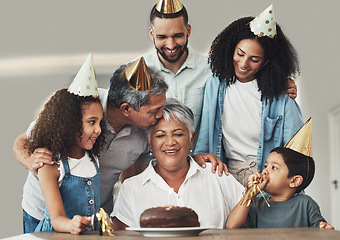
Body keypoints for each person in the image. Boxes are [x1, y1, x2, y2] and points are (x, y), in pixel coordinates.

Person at [14, 57, 225, 233]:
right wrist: (33, 161)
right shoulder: (86, 108)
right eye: (154, 111)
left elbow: (142, 170)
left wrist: (189, 158)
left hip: (95, 215)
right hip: (44, 211)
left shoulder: (145, 129)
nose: (159, 115)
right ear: (126, 109)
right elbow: (22, 141)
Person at [195, 5, 304, 187]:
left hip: (268, 179)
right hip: (226, 175)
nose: (244, 64)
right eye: (240, 54)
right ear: (231, 49)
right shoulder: (216, 83)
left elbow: (295, 149)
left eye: (254, 59)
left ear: (267, 62)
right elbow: (206, 133)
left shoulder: (280, 92)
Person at [111, 98, 244, 230]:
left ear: (191, 139)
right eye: (160, 135)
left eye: (178, 134)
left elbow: (247, 207)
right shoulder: (131, 188)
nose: (170, 142)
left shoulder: (216, 174)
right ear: (150, 143)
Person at [26, 54, 105, 234]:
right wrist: (71, 225)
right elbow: (56, 219)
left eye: (100, 122)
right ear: (70, 123)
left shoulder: (93, 160)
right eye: (92, 122)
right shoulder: (52, 165)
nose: (99, 129)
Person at [226, 147, 334, 229]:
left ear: (294, 181)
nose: (264, 171)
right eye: (265, 166)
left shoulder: (305, 204)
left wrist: (324, 228)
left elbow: (320, 228)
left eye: (274, 167)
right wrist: (250, 193)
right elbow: (231, 226)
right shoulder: (256, 203)